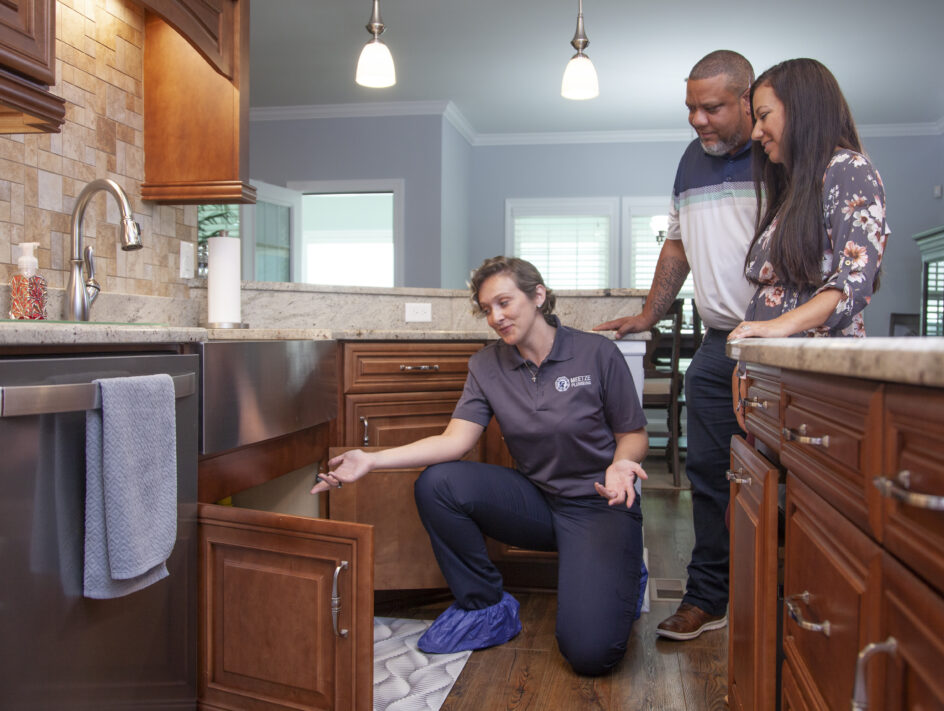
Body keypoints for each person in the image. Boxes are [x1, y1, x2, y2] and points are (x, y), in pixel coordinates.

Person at [312, 256, 649, 676]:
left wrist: (621, 464)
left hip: (600, 504)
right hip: (539, 501)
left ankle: (626, 570)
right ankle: (486, 605)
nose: (496, 317)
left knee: (590, 654)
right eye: (487, 309)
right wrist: (372, 459)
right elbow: (455, 440)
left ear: (538, 295)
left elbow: (634, 433)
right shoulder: (487, 365)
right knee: (439, 484)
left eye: (505, 303)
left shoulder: (595, 352)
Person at [595, 49, 756, 642]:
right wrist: (648, 314)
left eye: (710, 107)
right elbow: (679, 246)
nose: (697, 120)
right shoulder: (691, 161)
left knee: (794, 479)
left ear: (747, 100)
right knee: (707, 474)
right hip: (718, 346)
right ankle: (709, 598)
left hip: (780, 346)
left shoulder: (778, 155)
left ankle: (793, 600)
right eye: (690, 107)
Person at [726, 57, 888, 349]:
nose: (755, 133)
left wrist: (777, 326)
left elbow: (854, 282)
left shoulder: (848, 168)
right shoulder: (796, 187)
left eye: (764, 116)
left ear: (802, 111)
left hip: (814, 365)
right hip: (774, 369)